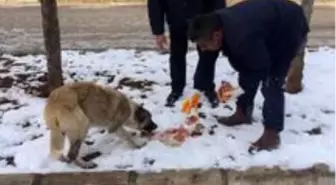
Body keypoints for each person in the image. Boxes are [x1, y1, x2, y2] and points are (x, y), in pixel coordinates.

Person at [187, 0, 309, 152]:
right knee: (247, 71)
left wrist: (234, 90)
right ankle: (243, 113)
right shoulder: (219, 24)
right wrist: (238, 88)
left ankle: (272, 133)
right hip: (263, 26)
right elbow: (243, 65)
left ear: (217, 35)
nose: (203, 49)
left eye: (204, 45)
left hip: (289, 26)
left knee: (271, 81)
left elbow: (261, 68)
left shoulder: (242, 37)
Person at [147, 0, 226, 108]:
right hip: (176, 18)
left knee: (208, 53)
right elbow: (155, 3)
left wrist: (218, 23)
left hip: (205, 18)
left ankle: (206, 86)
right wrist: (158, 31)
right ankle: (176, 89)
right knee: (177, 55)